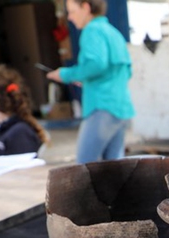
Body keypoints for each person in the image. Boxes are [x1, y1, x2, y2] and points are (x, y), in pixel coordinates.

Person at [47, 0, 134, 163]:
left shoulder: (92, 30)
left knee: (85, 167)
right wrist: (88, 79)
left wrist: (67, 74)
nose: (70, 18)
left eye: (72, 11)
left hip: (102, 106)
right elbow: (126, 71)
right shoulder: (112, 32)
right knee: (114, 170)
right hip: (121, 108)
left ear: (86, 8)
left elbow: (97, 64)